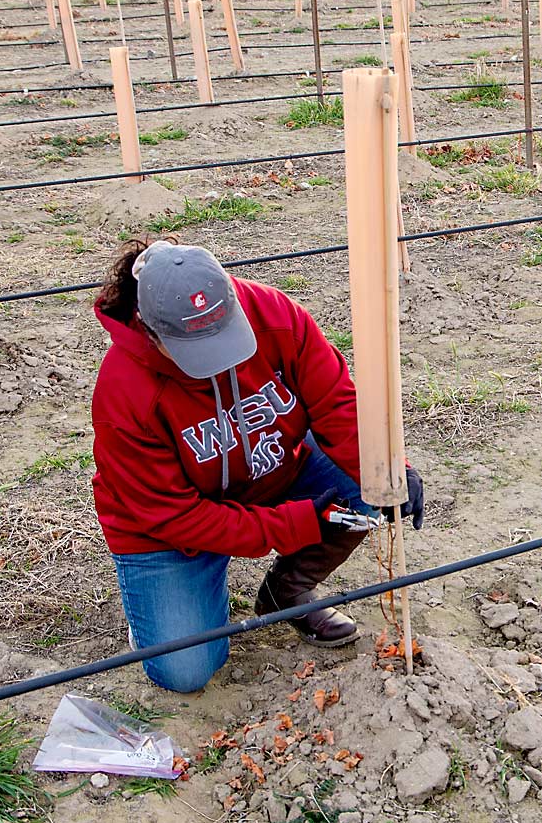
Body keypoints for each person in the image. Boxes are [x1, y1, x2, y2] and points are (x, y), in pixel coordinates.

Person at [91, 239, 425, 694]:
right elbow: (175, 515)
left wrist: (389, 467)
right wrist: (298, 523)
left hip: (271, 469)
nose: (218, 362)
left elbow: (336, 403)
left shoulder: (274, 313)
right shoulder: (123, 391)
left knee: (368, 482)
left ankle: (285, 591)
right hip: (174, 530)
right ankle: (169, 607)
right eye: (195, 351)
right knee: (185, 670)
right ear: (152, 334)